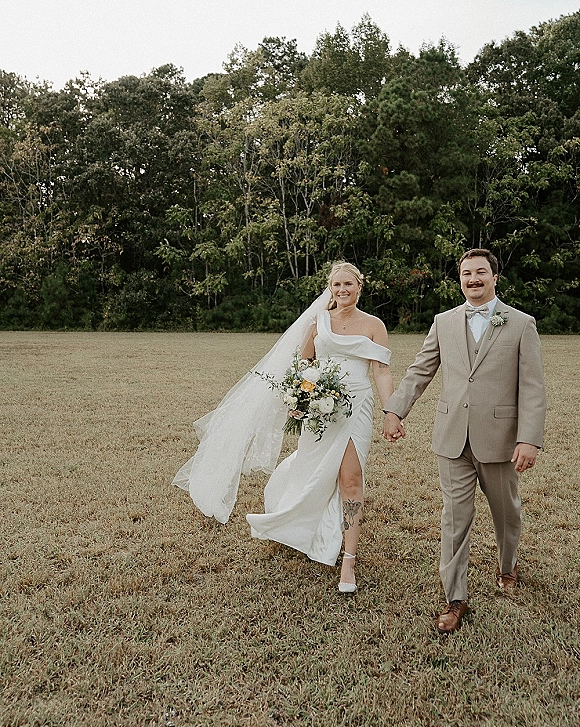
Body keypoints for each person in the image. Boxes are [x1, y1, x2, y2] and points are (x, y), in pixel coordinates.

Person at [173, 261, 395, 594]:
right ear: (330, 289)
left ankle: (348, 557)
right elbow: (305, 363)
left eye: (348, 284)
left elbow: (381, 372)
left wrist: (392, 412)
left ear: (359, 287)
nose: (342, 290)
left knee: (351, 478)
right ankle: (298, 522)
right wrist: (305, 395)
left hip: (356, 410)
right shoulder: (320, 322)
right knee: (312, 469)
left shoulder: (374, 325)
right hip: (322, 409)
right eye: (336, 285)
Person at [382, 248, 546, 632]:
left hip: (500, 439)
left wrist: (529, 439)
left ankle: (508, 566)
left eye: (480, 273)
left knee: (506, 514)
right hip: (452, 436)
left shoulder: (521, 324)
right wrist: (394, 410)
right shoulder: (443, 322)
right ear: (460, 279)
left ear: (494, 277)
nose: (473, 279)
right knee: (454, 520)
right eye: (466, 273)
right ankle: (455, 598)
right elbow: (420, 370)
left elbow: (533, 388)